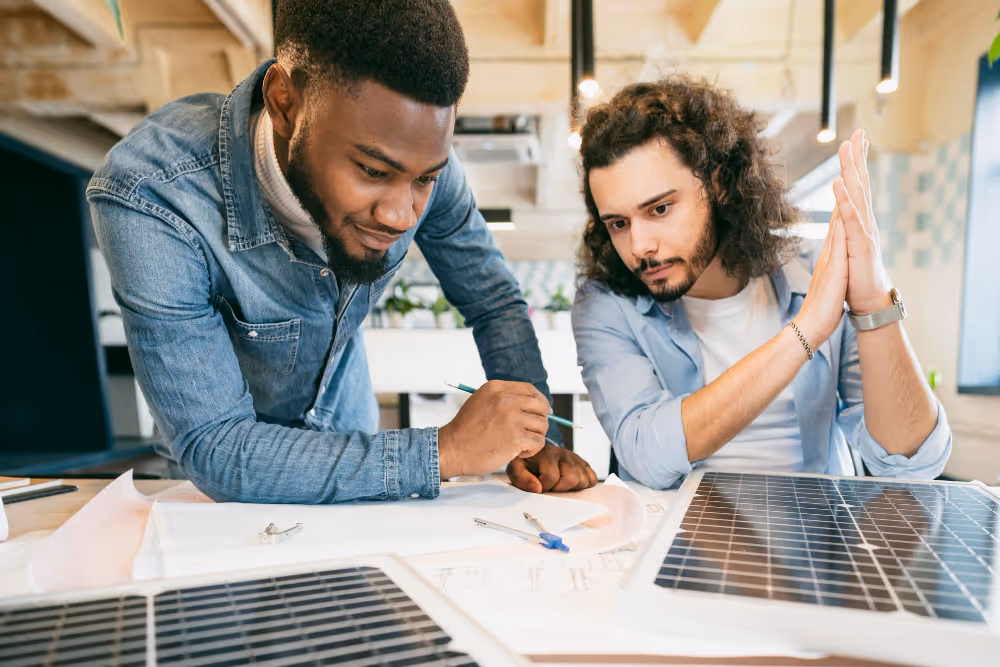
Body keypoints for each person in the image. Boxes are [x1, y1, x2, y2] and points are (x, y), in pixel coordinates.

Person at [88, 0, 596, 503]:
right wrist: (446, 452)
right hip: (220, 486)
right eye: (374, 171)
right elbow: (217, 445)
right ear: (285, 103)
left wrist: (533, 435)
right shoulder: (152, 196)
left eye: (424, 179)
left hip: (352, 435)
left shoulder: (422, 160)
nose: (401, 214)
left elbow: (494, 301)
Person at [572, 77, 951, 489]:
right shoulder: (607, 304)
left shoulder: (814, 275)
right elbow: (646, 453)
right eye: (619, 223)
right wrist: (804, 332)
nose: (640, 245)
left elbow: (911, 464)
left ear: (717, 183)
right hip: (681, 536)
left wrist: (874, 302)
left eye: (660, 208)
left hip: (817, 530)